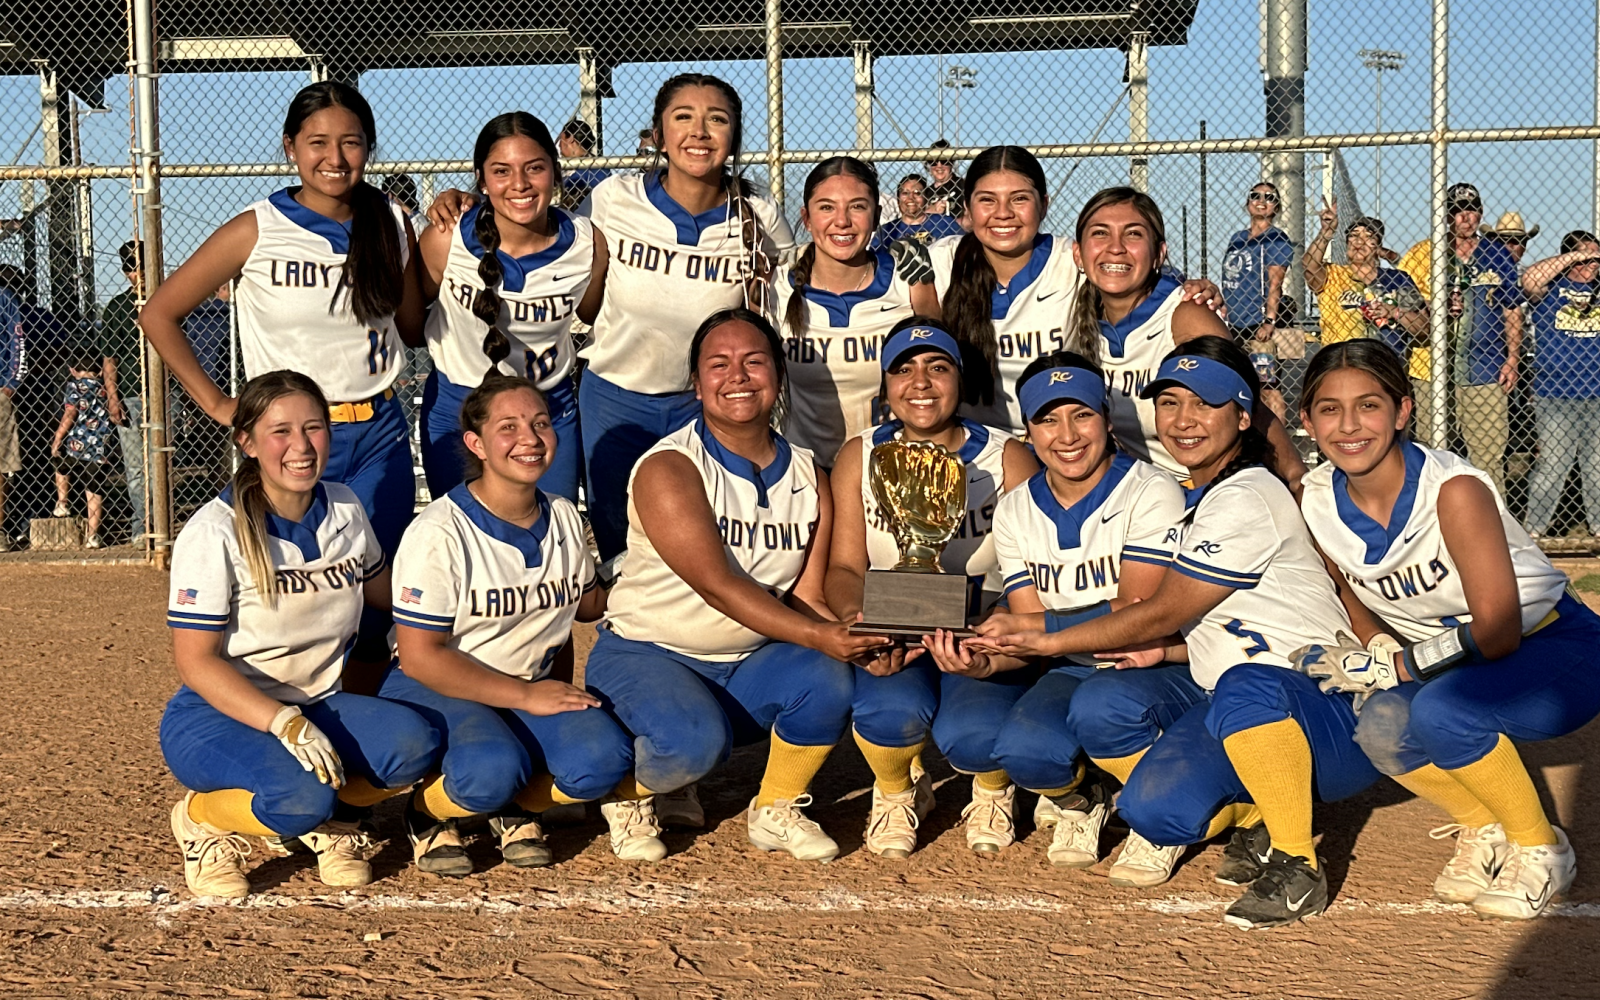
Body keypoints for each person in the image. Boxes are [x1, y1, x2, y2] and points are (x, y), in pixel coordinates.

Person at [968, 338, 1377, 929]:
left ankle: (1297, 861)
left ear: (1242, 415)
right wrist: (1166, 650)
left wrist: (1047, 638)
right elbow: (1218, 620)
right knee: (1152, 811)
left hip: (1319, 709)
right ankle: (1259, 812)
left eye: (1205, 404)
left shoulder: (1246, 493)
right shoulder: (1196, 497)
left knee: (1246, 686)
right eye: (1169, 402)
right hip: (1245, 698)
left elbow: (1162, 607)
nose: (1183, 421)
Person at [428, 74, 795, 571]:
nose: (700, 131)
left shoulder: (759, 214)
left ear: (735, 136)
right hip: (615, 400)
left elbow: (795, 292)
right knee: (620, 545)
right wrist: (463, 198)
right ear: (658, 135)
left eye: (718, 119)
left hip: (704, 406)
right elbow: (534, 225)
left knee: (711, 538)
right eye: (683, 117)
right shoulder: (612, 201)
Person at [1294, 339, 1600, 919]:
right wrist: (1377, 643)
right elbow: (1342, 585)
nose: (1349, 425)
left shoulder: (1453, 490)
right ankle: (1484, 828)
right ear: (1307, 419)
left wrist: (1399, 666)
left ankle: (1542, 848)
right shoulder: (1315, 500)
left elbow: (1500, 631)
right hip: (1454, 657)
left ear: (1404, 410)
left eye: (1369, 405)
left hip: (1556, 647)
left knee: (1443, 713)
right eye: (1329, 409)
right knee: (1380, 724)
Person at [583, 309, 887, 862]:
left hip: (743, 663)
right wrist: (821, 636)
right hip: (650, 653)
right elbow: (718, 586)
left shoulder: (807, 472)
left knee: (828, 676)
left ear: (779, 375)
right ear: (696, 385)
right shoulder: (670, 466)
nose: (738, 376)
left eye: (754, 362)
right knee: (694, 744)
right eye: (718, 365)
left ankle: (775, 807)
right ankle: (624, 787)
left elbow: (808, 597)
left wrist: (864, 635)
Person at [160, 371, 439, 899]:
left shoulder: (346, 507)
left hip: (320, 704)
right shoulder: (214, 530)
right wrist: (282, 722)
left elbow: (389, 596)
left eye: (313, 428)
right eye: (280, 431)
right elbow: (196, 662)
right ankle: (203, 820)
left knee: (414, 746)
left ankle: (327, 823)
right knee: (300, 798)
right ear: (246, 442)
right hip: (220, 714)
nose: (301, 446)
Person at [139, 81, 426, 564]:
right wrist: (217, 403)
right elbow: (158, 314)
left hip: (381, 431)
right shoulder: (258, 228)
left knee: (380, 589)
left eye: (351, 142)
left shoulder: (392, 222)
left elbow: (414, 326)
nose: (335, 157)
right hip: (296, 436)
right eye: (317, 142)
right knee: (298, 579)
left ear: (369, 148)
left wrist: (441, 226)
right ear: (290, 146)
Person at [382, 374, 634, 872]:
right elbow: (419, 656)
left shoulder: (561, 515)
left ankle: (514, 807)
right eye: (509, 427)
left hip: (524, 686)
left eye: (541, 423)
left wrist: (650, 562)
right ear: (475, 443)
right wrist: (524, 697)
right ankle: (428, 812)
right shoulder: (439, 530)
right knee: (491, 770)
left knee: (602, 760)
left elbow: (587, 604)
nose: (530, 438)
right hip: (439, 687)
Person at [958, 352, 1190, 874]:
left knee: (1105, 707)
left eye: (1081, 414)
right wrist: (986, 661)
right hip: (1073, 665)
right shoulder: (1016, 507)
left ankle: (1160, 812)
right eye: (1047, 419)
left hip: (1153, 662)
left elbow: (1140, 611)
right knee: (1022, 751)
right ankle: (1086, 800)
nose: (1067, 435)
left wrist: (1037, 632)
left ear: (1107, 419)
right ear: (1028, 432)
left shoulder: (1151, 488)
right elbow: (1025, 623)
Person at [825, 320, 1036, 857]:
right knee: (887, 710)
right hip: (893, 616)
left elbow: (1033, 576)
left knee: (977, 728)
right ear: (886, 384)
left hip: (981, 621)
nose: (920, 382)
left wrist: (994, 639)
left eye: (937, 367)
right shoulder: (861, 453)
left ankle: (993, 789)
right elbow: (845, 567)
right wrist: (864, 623)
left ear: (960, 380)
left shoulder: (1007, 458)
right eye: (904, 369)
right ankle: (897, 791)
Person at [417, 112, 604, 501]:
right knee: (462, 541)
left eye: (534, 168)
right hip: (459, 405)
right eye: (501, 171)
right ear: (482, 179)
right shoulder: (445, 238)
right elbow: (411, 321)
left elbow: (590, 313)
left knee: (551, 537)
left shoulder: (587, 244)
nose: (519, 184)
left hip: (546, 407)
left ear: (555, 171)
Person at [1059, 186, 1301, 486]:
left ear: (1159, 253)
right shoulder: (1072, 316)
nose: (1116, 247)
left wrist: (1294, 479)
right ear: (1078, 254)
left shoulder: (1186, 314)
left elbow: (1248, 406)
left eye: (1133, 234)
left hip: (1204, 488)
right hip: (1136, 490)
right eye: (1100, 233)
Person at [776, 157, 940, 464]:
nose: (842, 221)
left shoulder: (907, 278)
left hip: (892, 469)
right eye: (826, 207)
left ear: (877, 215)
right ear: (806, 218)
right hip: (805, 468)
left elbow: (941, 370)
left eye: (857, 206)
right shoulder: (778, 287)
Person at [1397, 183, 1523, 493]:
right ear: (1445, 216)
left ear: (1480, 213)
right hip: (1429, 369)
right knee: (1429, 452)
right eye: (1456, 211)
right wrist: (1433, 306)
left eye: (1470, 210)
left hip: (1484, 369)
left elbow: (1512, 308)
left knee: (1488, 456)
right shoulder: (1423, 253)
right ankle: (1434, 523)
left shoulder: (1497, 254)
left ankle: (1497, 528)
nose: (1464, 218)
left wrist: (1513, 359)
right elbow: (1401, 297)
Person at [1519, 232, 1600, 538]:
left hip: (1597, 393)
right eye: (1585, 256)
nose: (1592, 263)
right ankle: (1535, 530)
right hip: (1556, 395)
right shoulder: (1552, 290)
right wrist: (1574, 257)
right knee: (1554, 465)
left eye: (1596, 257)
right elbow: (1530, 279)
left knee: (1596, 468)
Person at [1304, 208, 1428, 359]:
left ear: (1377, 247)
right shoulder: (1333, 275)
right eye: (1354, 236)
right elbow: (1309, 265)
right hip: (1340, 361)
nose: (1359, 241)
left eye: (1368, 236)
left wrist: (1394, 312)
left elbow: (1423, 327)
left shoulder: (1397, 279)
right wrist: (1326, 233)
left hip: (1386, 363)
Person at [100, 239, 147, 543]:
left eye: (141, 266)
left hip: (162, 392)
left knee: (160, 463)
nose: (138, 274)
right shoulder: (117, 307)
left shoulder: (168, 298)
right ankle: (142, 525)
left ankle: (161, 520)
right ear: (125, 272)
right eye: (131, 268)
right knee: (135, 466)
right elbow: (109, 358)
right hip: (130, 391)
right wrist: (113, 397)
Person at [48, 350, 115, 548]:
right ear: (101, 372)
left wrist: (58, 437)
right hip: (99, 448)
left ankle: (63, 502)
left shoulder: (74, 386)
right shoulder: (105, 389)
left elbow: (70, 412)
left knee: (61, 466)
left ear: (72, 370)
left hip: (75, 445)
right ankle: (93, 535)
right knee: (94, 491)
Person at [1221, 183, 1295, 346]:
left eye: (1269, 198)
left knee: (1261, 369)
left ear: (1276, 207)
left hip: (1257, 322)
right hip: (1232, 320)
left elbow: (1275, 283)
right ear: (1248, 202)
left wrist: (1269, 321)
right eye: (1255, 196)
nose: (1261, 200)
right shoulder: (1238, 238)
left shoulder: (1276, 239)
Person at [873, 175, 964, 249]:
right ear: (897, 200)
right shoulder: (886, 230)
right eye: (905, 193)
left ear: (926, 199)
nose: (911, 198)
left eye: (917, 193)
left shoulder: (944, 223)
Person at [0, 272, 23, 550]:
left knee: (2, 465)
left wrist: (11, 383)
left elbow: (18, 340)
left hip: (0, 389)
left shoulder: (4, 297)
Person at [559, 119, 610, 209]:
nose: (559, 145)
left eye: (561, 140)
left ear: (571, 139)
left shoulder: (595, 170)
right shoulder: (599, 167)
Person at [923, 140, 965, 219]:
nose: (939, 166)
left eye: (944, 161)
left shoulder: (963, 187)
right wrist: (930, 211)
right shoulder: (926, 192)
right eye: (933, 161)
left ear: (951, 163)